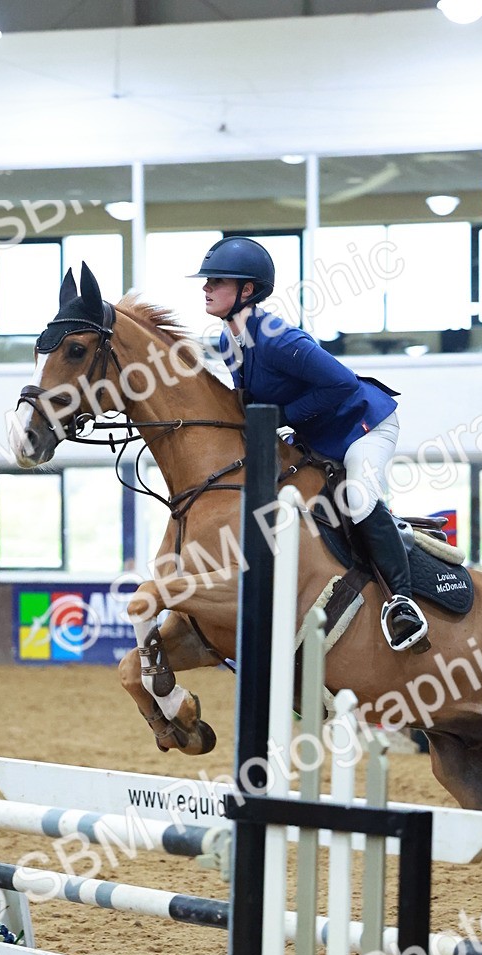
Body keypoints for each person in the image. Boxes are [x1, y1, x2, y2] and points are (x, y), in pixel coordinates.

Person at [190, 235, 428, 652]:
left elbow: (342, 383)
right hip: (315, 434)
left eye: (217, 280)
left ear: (247, 290)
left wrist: (281, 418)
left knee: (358, 498)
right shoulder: (229, 341)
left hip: (363, 426)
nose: (206, 287)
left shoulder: (280, 339)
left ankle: (402, 602)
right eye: (207, 280)